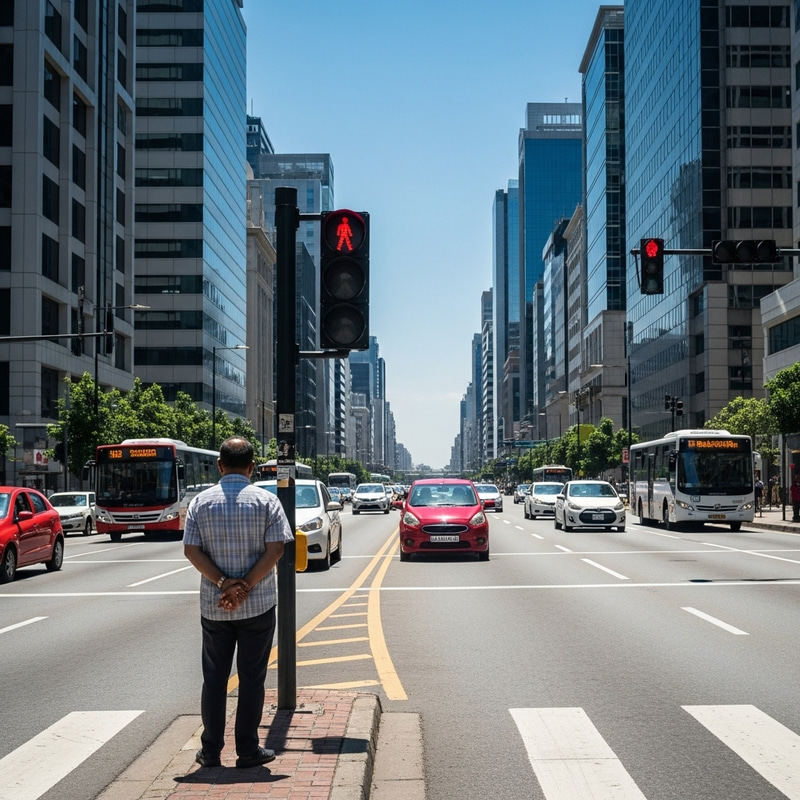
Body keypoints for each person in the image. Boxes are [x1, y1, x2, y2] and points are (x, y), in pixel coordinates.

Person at [183, 436, 294, 769]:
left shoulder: (200, 503)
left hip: (214, 607)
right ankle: (247, 750)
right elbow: (276, 549)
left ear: (219, 465)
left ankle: (211, 751)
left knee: (214, 680)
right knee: (252, 678)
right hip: (257, 605)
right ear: (252, 467)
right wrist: (245, 586)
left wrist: (224, 584)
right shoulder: (266, 501)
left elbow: (191, 550)